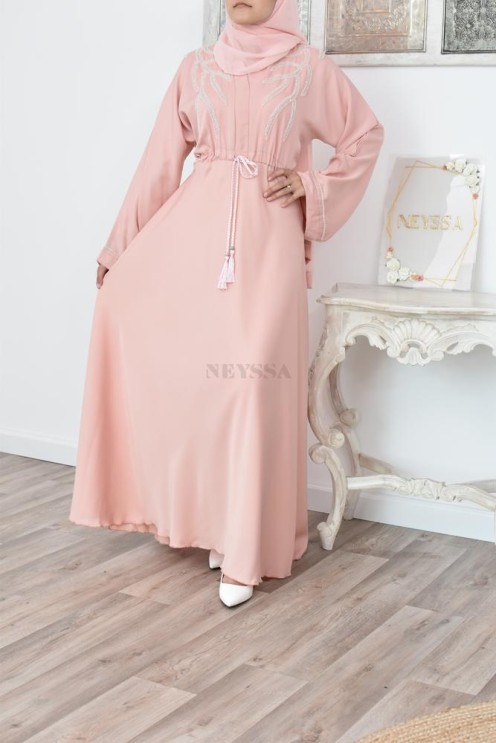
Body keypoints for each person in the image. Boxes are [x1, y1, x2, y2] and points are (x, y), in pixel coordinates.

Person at [69, 0, 384, 607]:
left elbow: (364, 136)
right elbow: (159, 164)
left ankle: (245, 544)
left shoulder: (308, 69)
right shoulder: (196, 67)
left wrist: (312, 185)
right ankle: (214, 523)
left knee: (248, 384)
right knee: (187, 375)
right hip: (192, 238)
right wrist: (118, 248)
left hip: (268, 246)